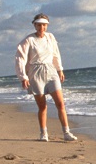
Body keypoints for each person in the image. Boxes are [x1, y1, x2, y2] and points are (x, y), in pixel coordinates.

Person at [15, 13, 77, 142]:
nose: (41, 27)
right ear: (34, 25)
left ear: (47, 25)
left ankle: (66, 132)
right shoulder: (29, 40)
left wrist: (60, 69)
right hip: (35, 72)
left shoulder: (50, 37)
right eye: (38, 25)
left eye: (44, 25)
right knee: (42, 106)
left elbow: (55, 54)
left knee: (60, 103)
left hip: (50, 70)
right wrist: (23, 77)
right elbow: (20, 58)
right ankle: (43, 133)